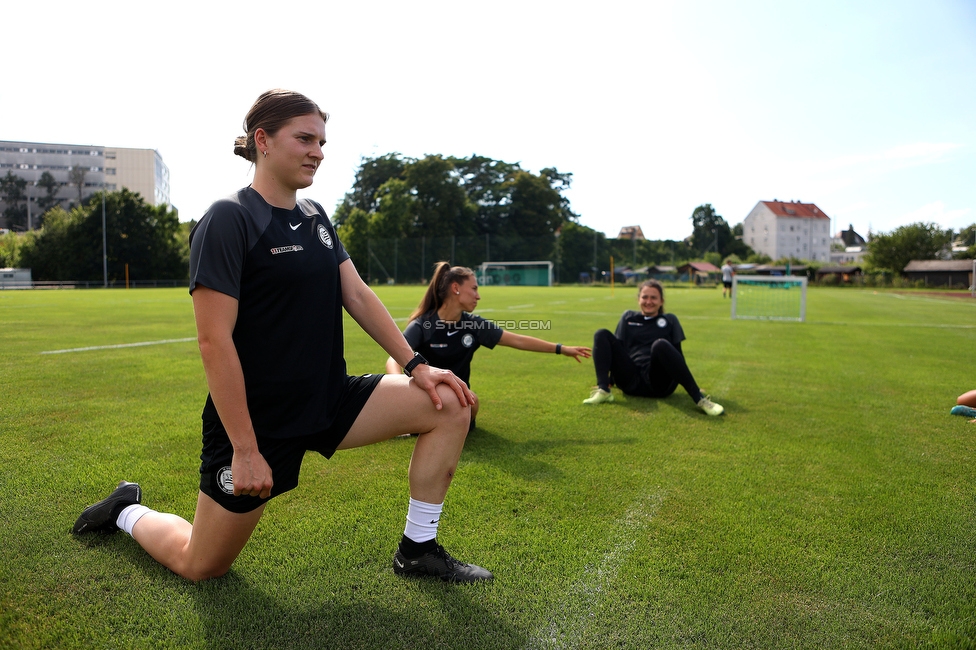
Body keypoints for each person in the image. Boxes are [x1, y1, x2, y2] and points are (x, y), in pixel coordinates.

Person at [72, 89, 492, 584]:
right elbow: (214, 342)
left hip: (329, 400)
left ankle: (417, 550)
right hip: (259, 421)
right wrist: (246, 450)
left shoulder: (315, 215)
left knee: (451, 402)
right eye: (305, 138)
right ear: (263, 140)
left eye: (322, 140)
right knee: (200, 565)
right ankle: (125, 510)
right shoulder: (228, 218)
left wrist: (419, 366)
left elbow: (356, 296)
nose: (318, 150)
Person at [385, 262, 591, 430]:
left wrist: (561, 348)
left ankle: (432, 427)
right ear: (456, 288)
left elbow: (517, 340)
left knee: (471, 402)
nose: (478, 295)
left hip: (458, 401)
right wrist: (401, 387)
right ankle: (418, 423)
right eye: (474, 288)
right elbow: (394, 358)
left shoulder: (474, 325)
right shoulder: (424, 324)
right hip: (422, 398)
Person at [582, 279, 724, 416]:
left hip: (659, 384)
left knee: (660, 344)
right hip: (630, 381)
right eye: (645, 297)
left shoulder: (670, 320)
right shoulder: (628, 318)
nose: (649, 302)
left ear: (661, 301)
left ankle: (700, 399)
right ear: (639, 299)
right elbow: (618, 352)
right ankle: (603, 390)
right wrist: (610, 381)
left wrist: (692, 385)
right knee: (601, 334)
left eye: (654, 298)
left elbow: (678, 356)